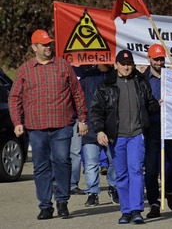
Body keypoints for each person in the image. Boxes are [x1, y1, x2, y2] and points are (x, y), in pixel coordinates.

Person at [9, 29, 88, 220]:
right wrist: (17, 121)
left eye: (49, 43)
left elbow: (77, 93)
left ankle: (62, 201)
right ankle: (45, 205)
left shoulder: (63, 66)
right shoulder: (25, 69)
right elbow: (14, 97)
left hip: (62, 124)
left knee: (62, 161)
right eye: (44, 44)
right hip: (36, 128)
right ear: (34, 47)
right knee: (41, 166)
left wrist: (83, 118)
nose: (48, 47)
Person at [91, 50, 160, 224]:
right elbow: (97, 110)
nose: (127, 67)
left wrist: (159, 104)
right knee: (121, 175)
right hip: (117, 137)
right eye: (123, 64)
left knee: (136, 171)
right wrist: (100, 130)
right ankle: (126, 210)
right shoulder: (105, 85)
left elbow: (150, 103)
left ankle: (137, 210)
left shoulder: (140, 82)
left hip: (137, 135)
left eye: (129, 64)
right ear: (116, 65)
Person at [143, 44, 172, 217]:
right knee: (151, 168)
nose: (159, 62)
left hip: (171, 127)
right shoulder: (142, 79)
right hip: (151, 128)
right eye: (156, 59)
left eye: (161, 59)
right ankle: (154, 202)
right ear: (149, 59)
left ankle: (169, 190)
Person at [77, 64, 119, 207]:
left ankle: (113, 187)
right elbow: (78, 99)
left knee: (114, 160)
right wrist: (81, 120)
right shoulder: (87, 77)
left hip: (111, 126)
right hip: (90, 126)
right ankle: (93, 192)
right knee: (91, 163)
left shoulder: (117, 75)